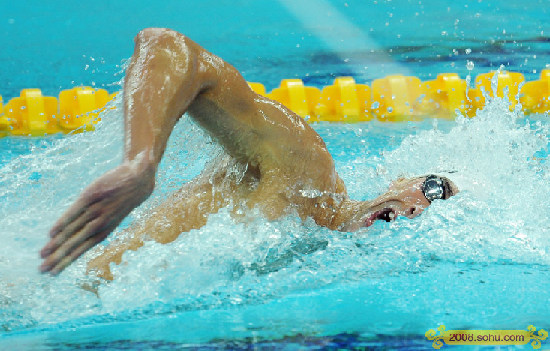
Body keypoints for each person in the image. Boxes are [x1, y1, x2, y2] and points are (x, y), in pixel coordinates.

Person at [39, 28, 458, 279]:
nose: (420, 211)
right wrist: (140, 162)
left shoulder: (311, 250)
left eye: (439, 213)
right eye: (434, 189)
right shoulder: (305, 166)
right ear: (400, 180)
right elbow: (167, 46)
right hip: (54, 288)